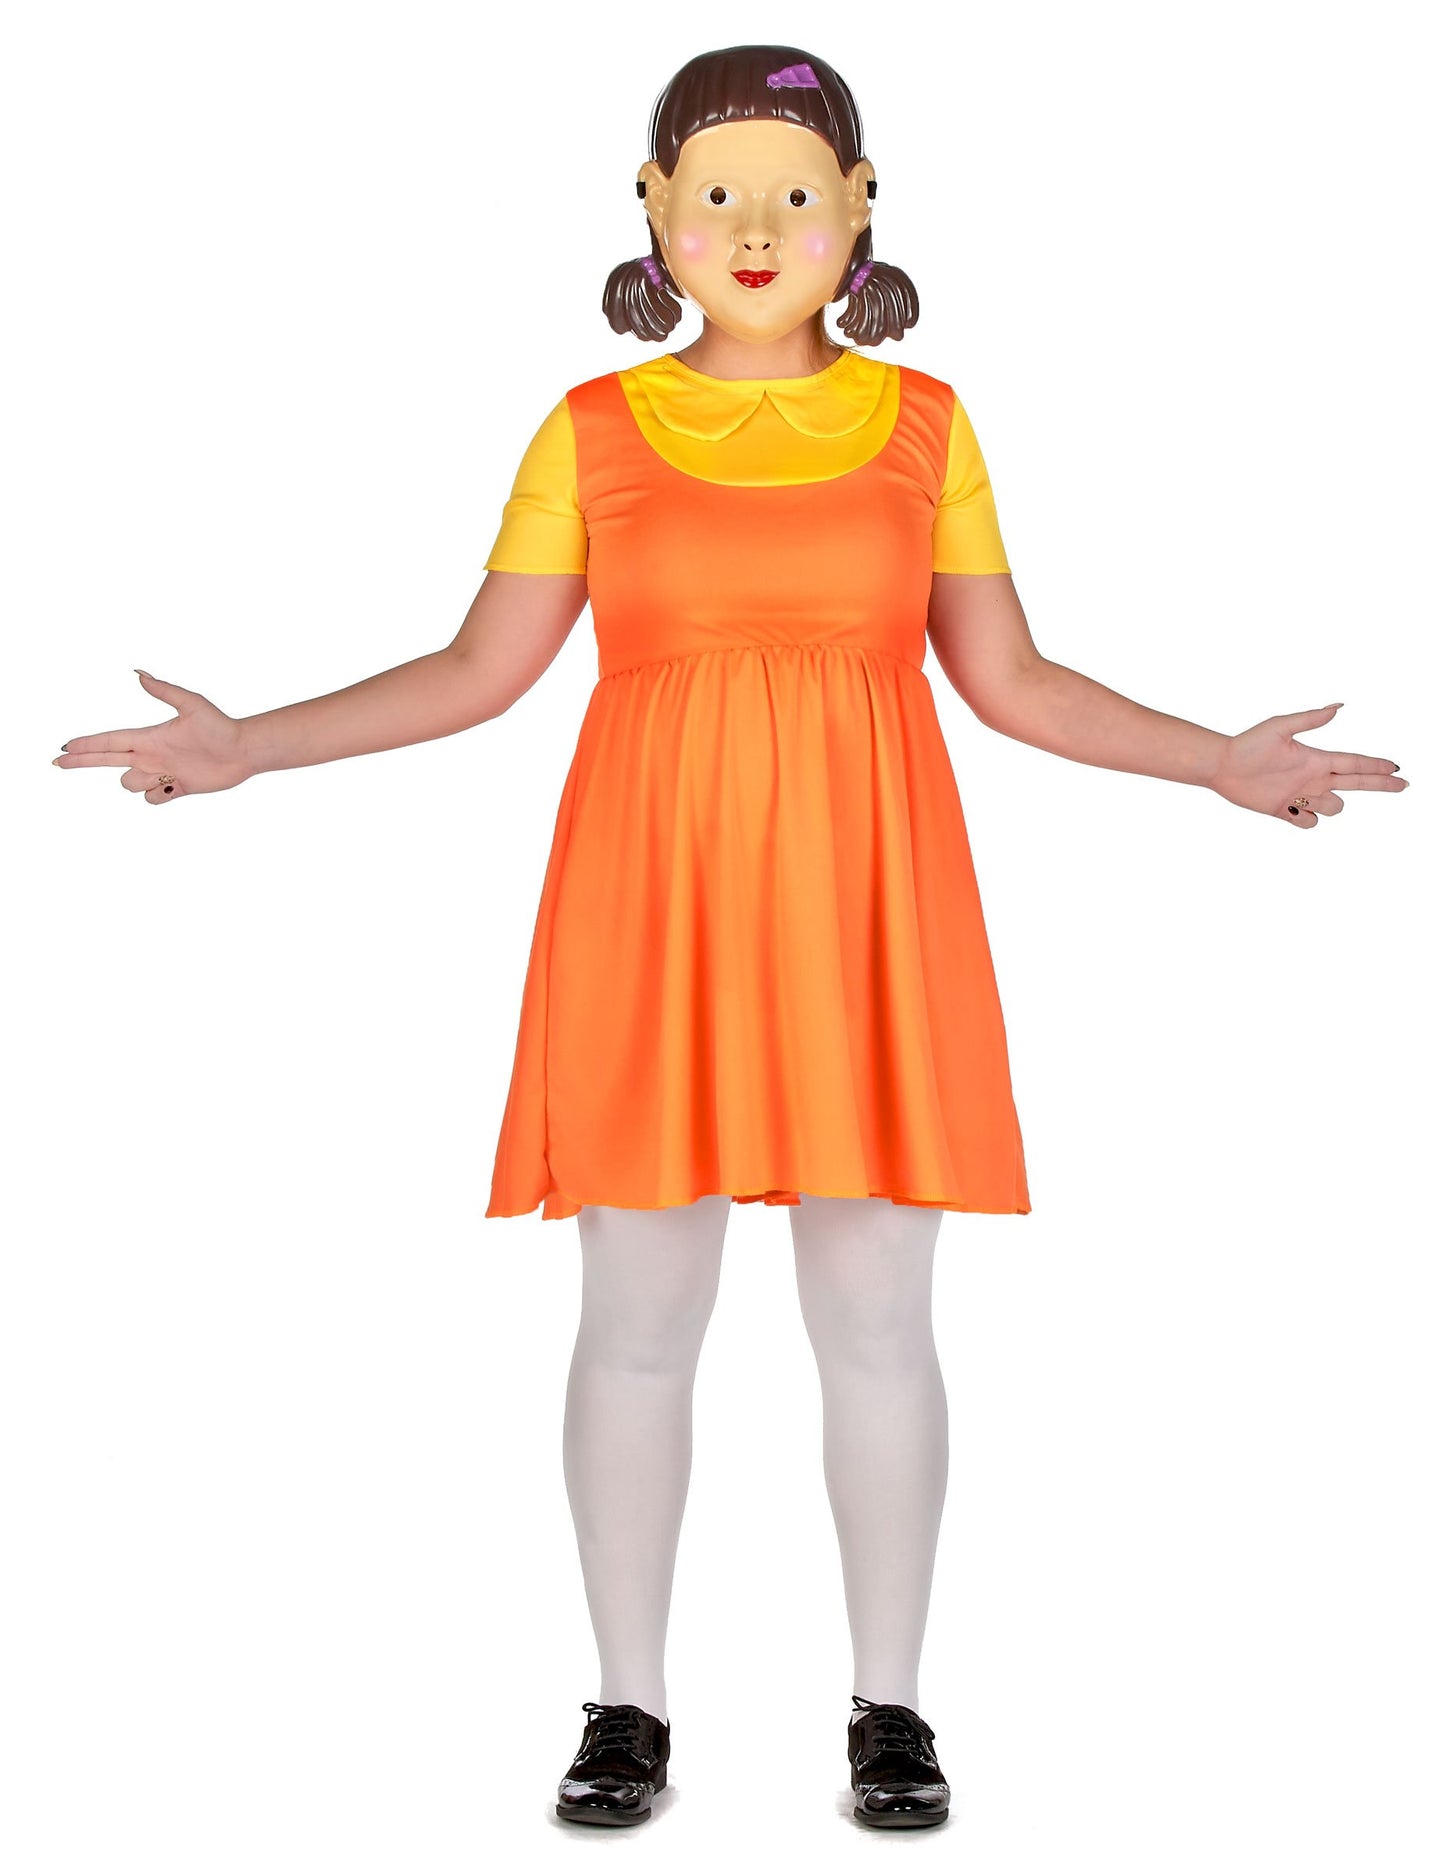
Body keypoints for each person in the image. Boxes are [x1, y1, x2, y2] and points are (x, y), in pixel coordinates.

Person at [50, 43, 1408, 1833]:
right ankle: (624, 1707)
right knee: (636, 1316)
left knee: (877, 1319)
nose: (753, 227)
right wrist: (252, 746)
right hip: (651, 899)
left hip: (867, 903)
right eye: (713, 193)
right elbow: (477, 670)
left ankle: (889, 1709)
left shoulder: (926, 426)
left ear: (859, 210)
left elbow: (1011, 681)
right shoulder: (591, 429)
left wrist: (1216, 761)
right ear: (652, 213)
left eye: (791, 191)